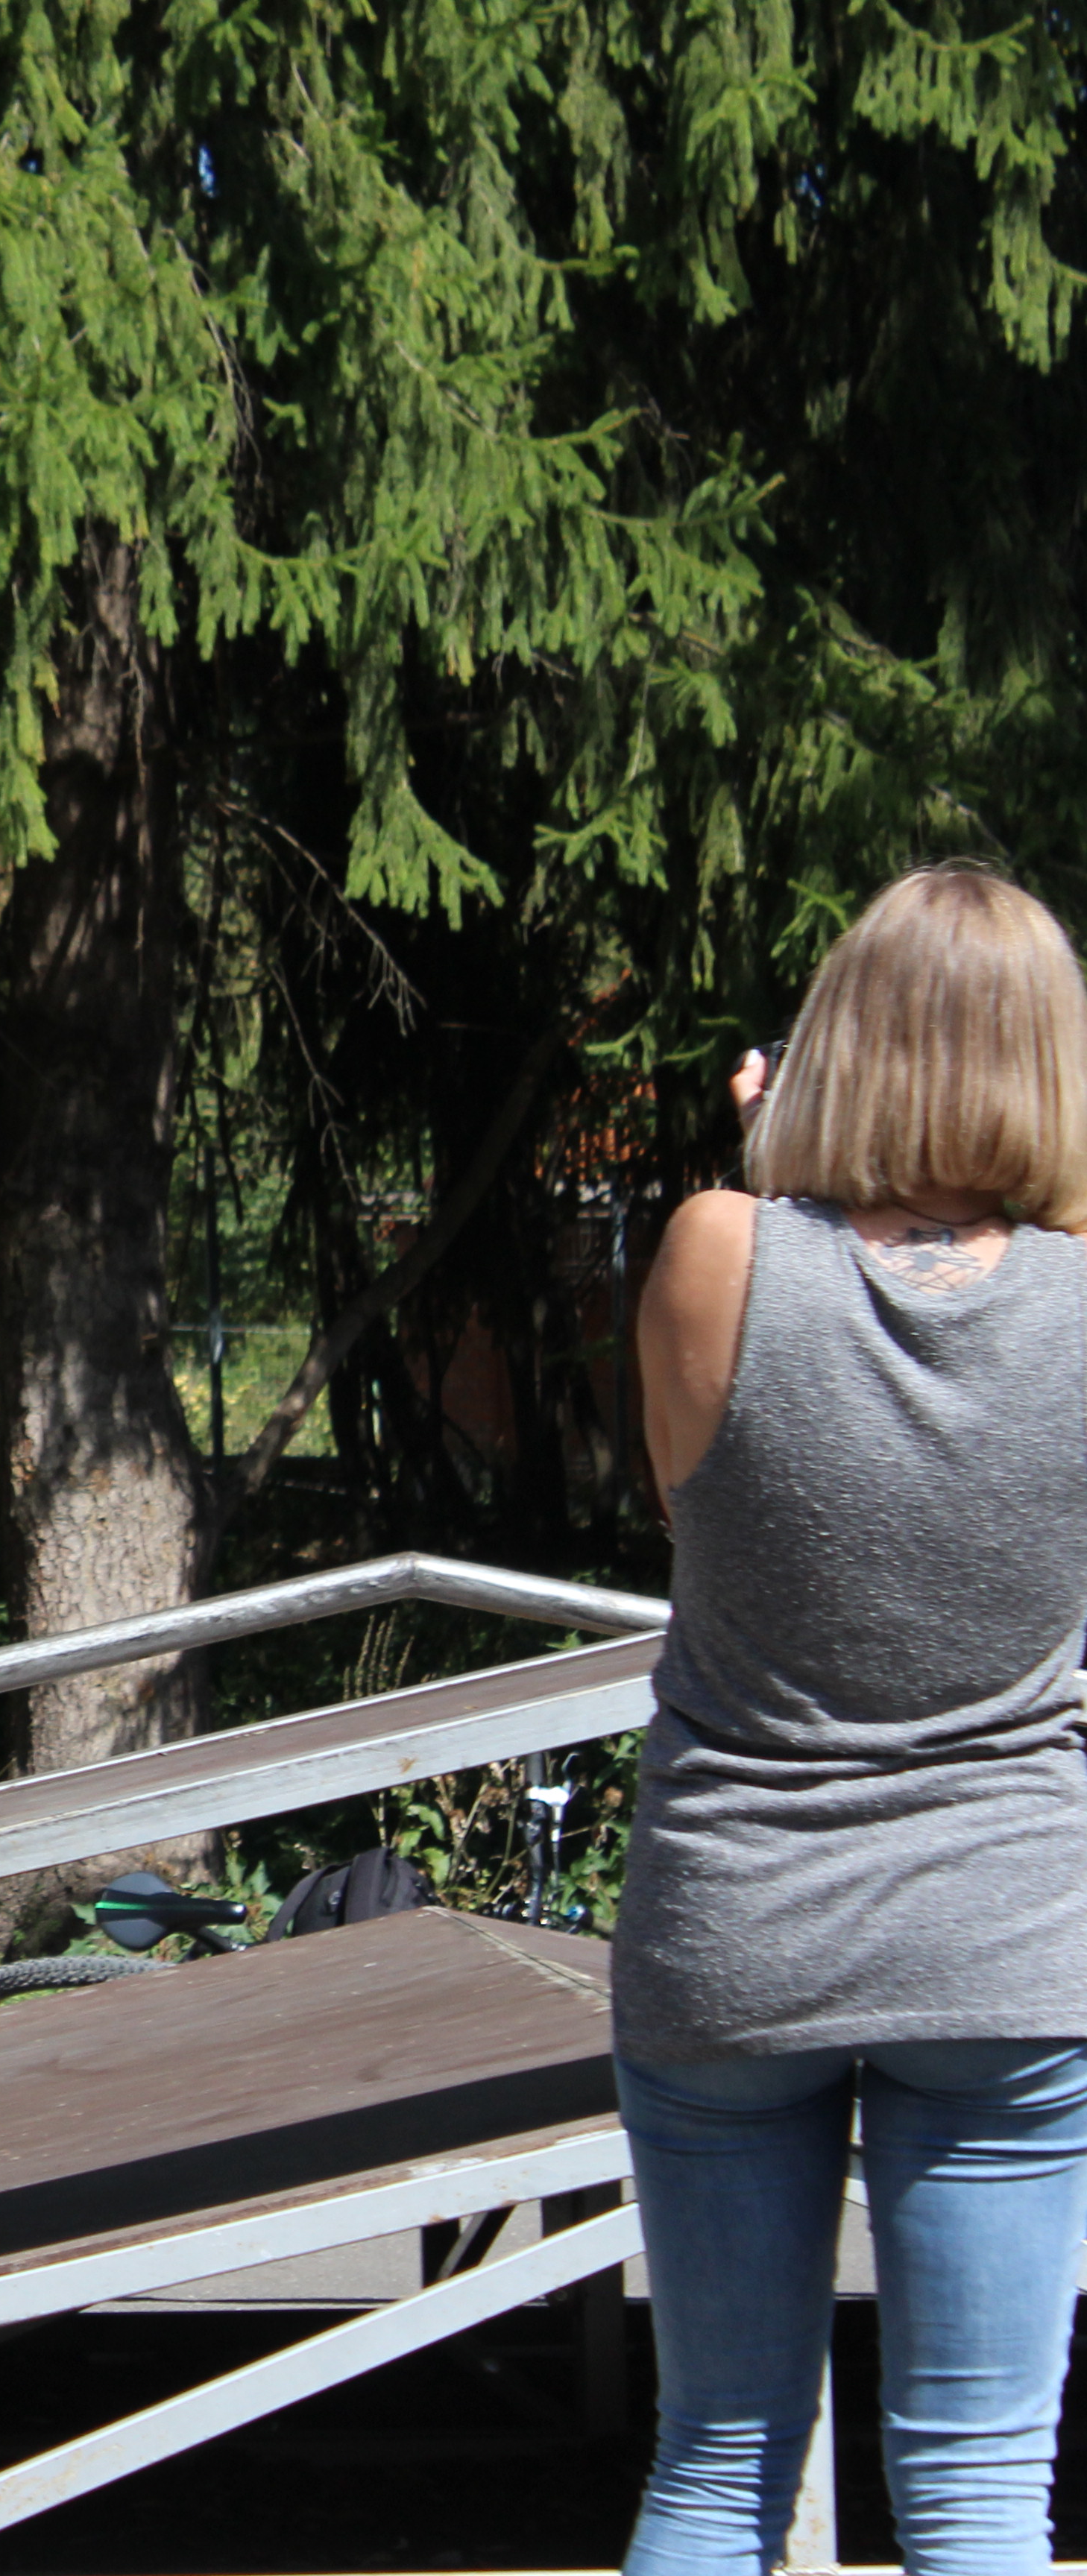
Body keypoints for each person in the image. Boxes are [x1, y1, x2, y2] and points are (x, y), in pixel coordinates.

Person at [622, 865, 1087, 2576]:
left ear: (829, 1043)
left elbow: (699, 1502)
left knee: (716, 2453)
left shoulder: (711, 1247)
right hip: (1006, 1934)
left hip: (731, 1923)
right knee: (974, 2482)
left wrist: (768, 1168)